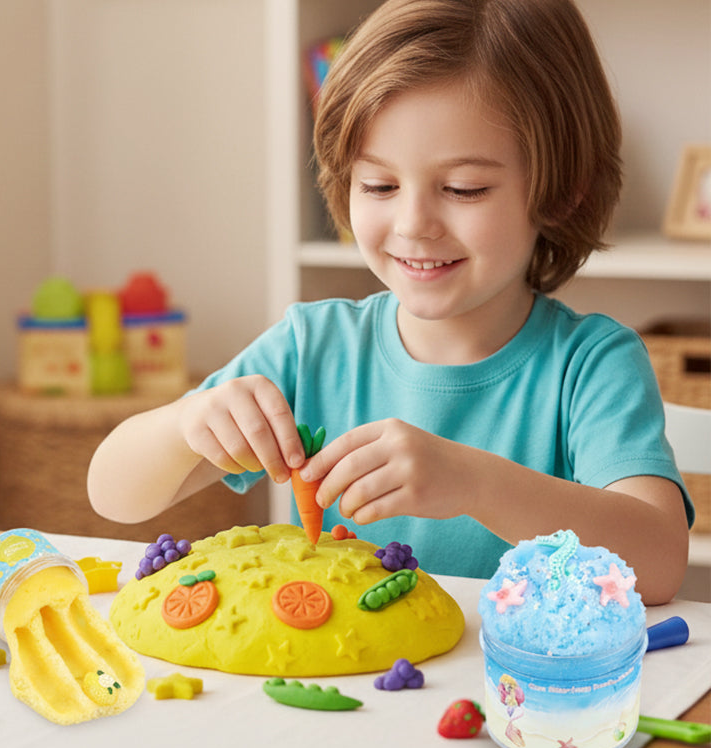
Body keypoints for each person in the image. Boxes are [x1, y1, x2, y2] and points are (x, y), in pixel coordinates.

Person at [88, 0, 692, 604]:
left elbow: (658, 566)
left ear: (564, 191)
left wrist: (474, 483)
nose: (413, 224)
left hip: (517, 691)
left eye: (463, 189)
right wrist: (184, 425)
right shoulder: (313, 347)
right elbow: (112, 496)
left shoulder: (591, 364)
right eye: (378, 185)